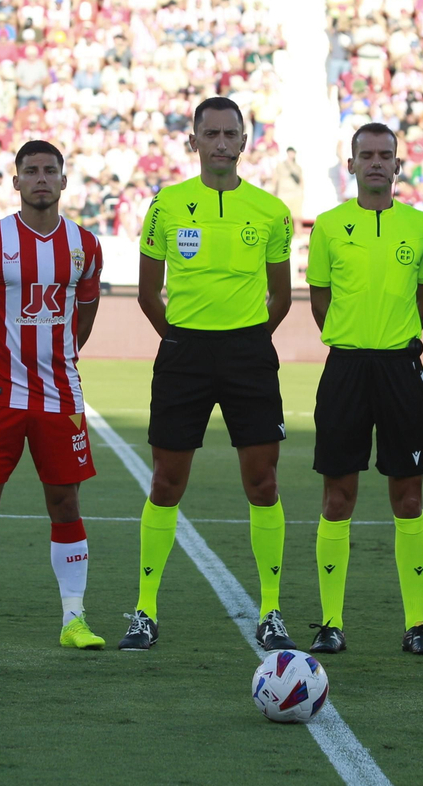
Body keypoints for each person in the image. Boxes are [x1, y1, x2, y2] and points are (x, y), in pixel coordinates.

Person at [121, 97, 296, 651]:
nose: (221, 142)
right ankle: (145, 611)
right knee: (165, 482)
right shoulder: (167, 205)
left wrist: (249, 340)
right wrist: (178, 340)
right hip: (185, 355)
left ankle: (271, 609)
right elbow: (148, 293)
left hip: (248, 355)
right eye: (211, 133)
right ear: (193, 141)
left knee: (263, 483)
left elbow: (282, 296)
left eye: (230, 133)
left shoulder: (271, 210)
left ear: (244, 141)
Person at [0, 140, 107, 651]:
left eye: (49, 171)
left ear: (63, 181)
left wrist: (61, 357)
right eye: (30, 171)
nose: (40, 179)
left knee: (65, 501)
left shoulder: (85, 245)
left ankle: (74, 619)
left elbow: (85, 315)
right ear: (15, 182)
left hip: (61, 395)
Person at [304, 123, 423, 656]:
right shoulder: (329, 226)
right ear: (352, 165)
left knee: (409, 496)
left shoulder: (421, 226)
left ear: (398, 166)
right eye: (368, 155)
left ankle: (417, 624)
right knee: (338, 495)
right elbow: (319, 298)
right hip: (345, 369)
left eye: (386, 155)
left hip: (400, 369)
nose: (377, 163)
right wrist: (352, 338)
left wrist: (395, 338)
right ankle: (331, 623)